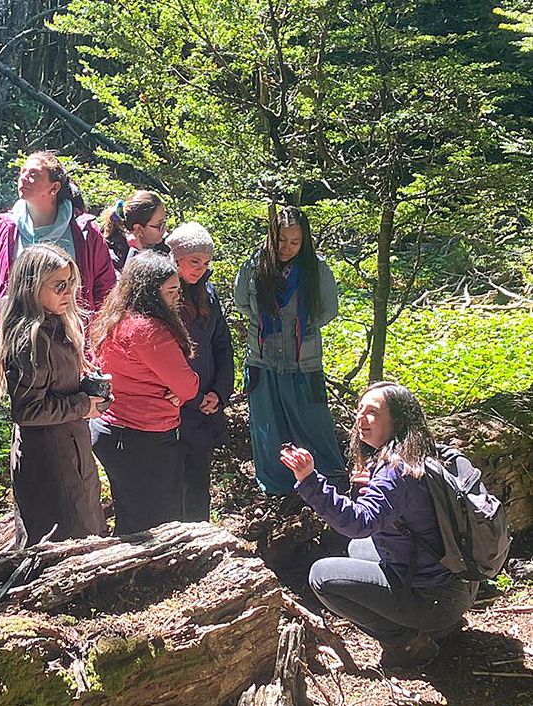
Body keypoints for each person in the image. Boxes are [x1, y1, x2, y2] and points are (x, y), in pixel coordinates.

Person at [281, 382, 478, 668]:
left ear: (397, 420)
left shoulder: (397, 469)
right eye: (359, 410)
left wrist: (309, 480)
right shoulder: (426, 453)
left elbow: (359, 522)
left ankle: (407, 642)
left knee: (322, 576)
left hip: (436, 598)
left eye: (372, 412)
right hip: (460, 581)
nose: (361, 418)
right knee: (359, 547)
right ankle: (439, 624)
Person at [0, 245, 109, 546]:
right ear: (32, 287)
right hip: (49, 461)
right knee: (63, 543)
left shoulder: (56, 324)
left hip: (72, 450)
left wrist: (87, 387)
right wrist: (83, 404)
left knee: (85, 530)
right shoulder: (30, 338)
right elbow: (28, 410)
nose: (68, 292)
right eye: (59, 286)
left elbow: (56, 384)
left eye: (71, 284)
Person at [234, 206, 345, 497]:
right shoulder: (254, 265)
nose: (287, 248)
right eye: (282, 240)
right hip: (262, 360)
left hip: (303, 362)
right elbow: (243, 302)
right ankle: (277, 488)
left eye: (295, 242)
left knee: (312, 424)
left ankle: (328, 485)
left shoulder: (317, 270)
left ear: (304, 241)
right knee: (268, 427)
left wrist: (298, 327)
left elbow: (327, 310)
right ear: (271, 237)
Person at [90, 251, 200, 534]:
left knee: (130, 516)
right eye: (171, 290)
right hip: (144, 439)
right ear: (150, 293)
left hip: (112, 432)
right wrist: (180, 389)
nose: (179, 296)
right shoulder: (149, 330)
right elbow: (188, 385)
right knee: (153, 526)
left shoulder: (115, 319)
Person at [0, 151, 116, 332]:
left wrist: (95, 331)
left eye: (34, 174)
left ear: (54, 188)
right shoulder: (5, 229)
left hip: (72, 341)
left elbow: (106, 286)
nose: (24, 178)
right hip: (16, 341)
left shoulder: (83, 231)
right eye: (22, 172)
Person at [166, 222, 234, 521]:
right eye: (195, 262)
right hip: (172, 408)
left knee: (198, 490)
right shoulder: (161, 295)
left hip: (205, 407)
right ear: (175, 258)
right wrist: (191, 396)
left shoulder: (209, 293)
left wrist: (220, 392)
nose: (201, 269)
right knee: (170, 491)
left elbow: (222, 345)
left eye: (206, 263)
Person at [99, 190, 169, 269]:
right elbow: (126, 281)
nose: (165, 228)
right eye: (159, 225)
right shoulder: (112, 257)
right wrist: (137, 253)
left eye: (164, 222)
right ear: (138, 228)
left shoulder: (162, 246)